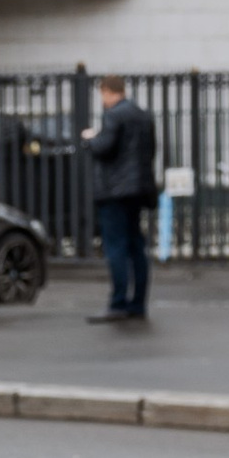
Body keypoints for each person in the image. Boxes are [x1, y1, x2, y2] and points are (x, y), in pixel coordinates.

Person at [80, 73, 157, 322]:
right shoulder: (143, 115)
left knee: (115, 248)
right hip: (138, 190)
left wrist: (91, 139)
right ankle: (138, 304)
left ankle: (118, 303)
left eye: (102, 94)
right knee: (136, 246)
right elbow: (151, 151)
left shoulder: (113, 114)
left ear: (107, 91)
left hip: (114, 191)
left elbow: (105, 147)